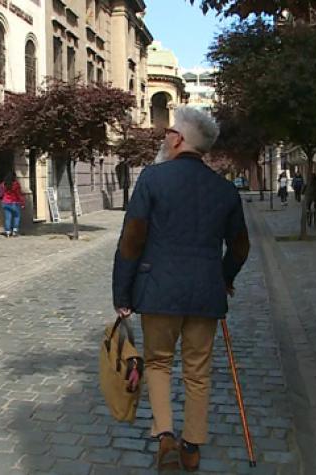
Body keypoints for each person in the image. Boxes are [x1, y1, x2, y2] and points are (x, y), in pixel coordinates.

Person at [112, 107, 250, 472]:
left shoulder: (153, 179)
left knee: (158, 362)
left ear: (177, 139)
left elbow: (132, 239)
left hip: (158, 291)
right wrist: (224, 277)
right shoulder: (224, 189)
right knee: (198, 370)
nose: (165, 137)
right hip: (205, 292)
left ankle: (166, 437)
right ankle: (191, 446)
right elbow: (239, 247)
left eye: (168, 132)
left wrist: (122, 295)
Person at [0, 172, 25, 237]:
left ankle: (8, 232)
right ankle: (14, 231)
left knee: (7, 218)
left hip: (5, 202)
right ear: (14, 177)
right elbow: (19, 194)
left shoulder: (4, 184)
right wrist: (22, 203)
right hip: (14, 203)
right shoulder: (16, 184)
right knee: (16, 217)